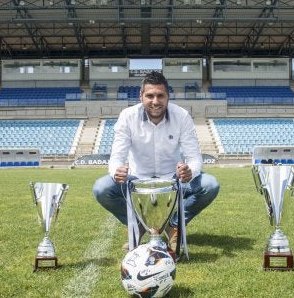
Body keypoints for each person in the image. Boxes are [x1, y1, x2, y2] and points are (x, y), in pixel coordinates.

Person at [92, 71, 220, 256]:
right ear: (141, 96)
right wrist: (116, 172)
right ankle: (138, 225)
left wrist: (189, 171)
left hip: (172, 179)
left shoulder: (182, 116)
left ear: (168, 96)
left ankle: (173, 225)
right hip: (137, 179)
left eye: (160, 95)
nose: (155, 101)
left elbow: (194, 157)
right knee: (101, 188)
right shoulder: (128, 116)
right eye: (150, 95)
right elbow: (117, 157)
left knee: (210, 185)